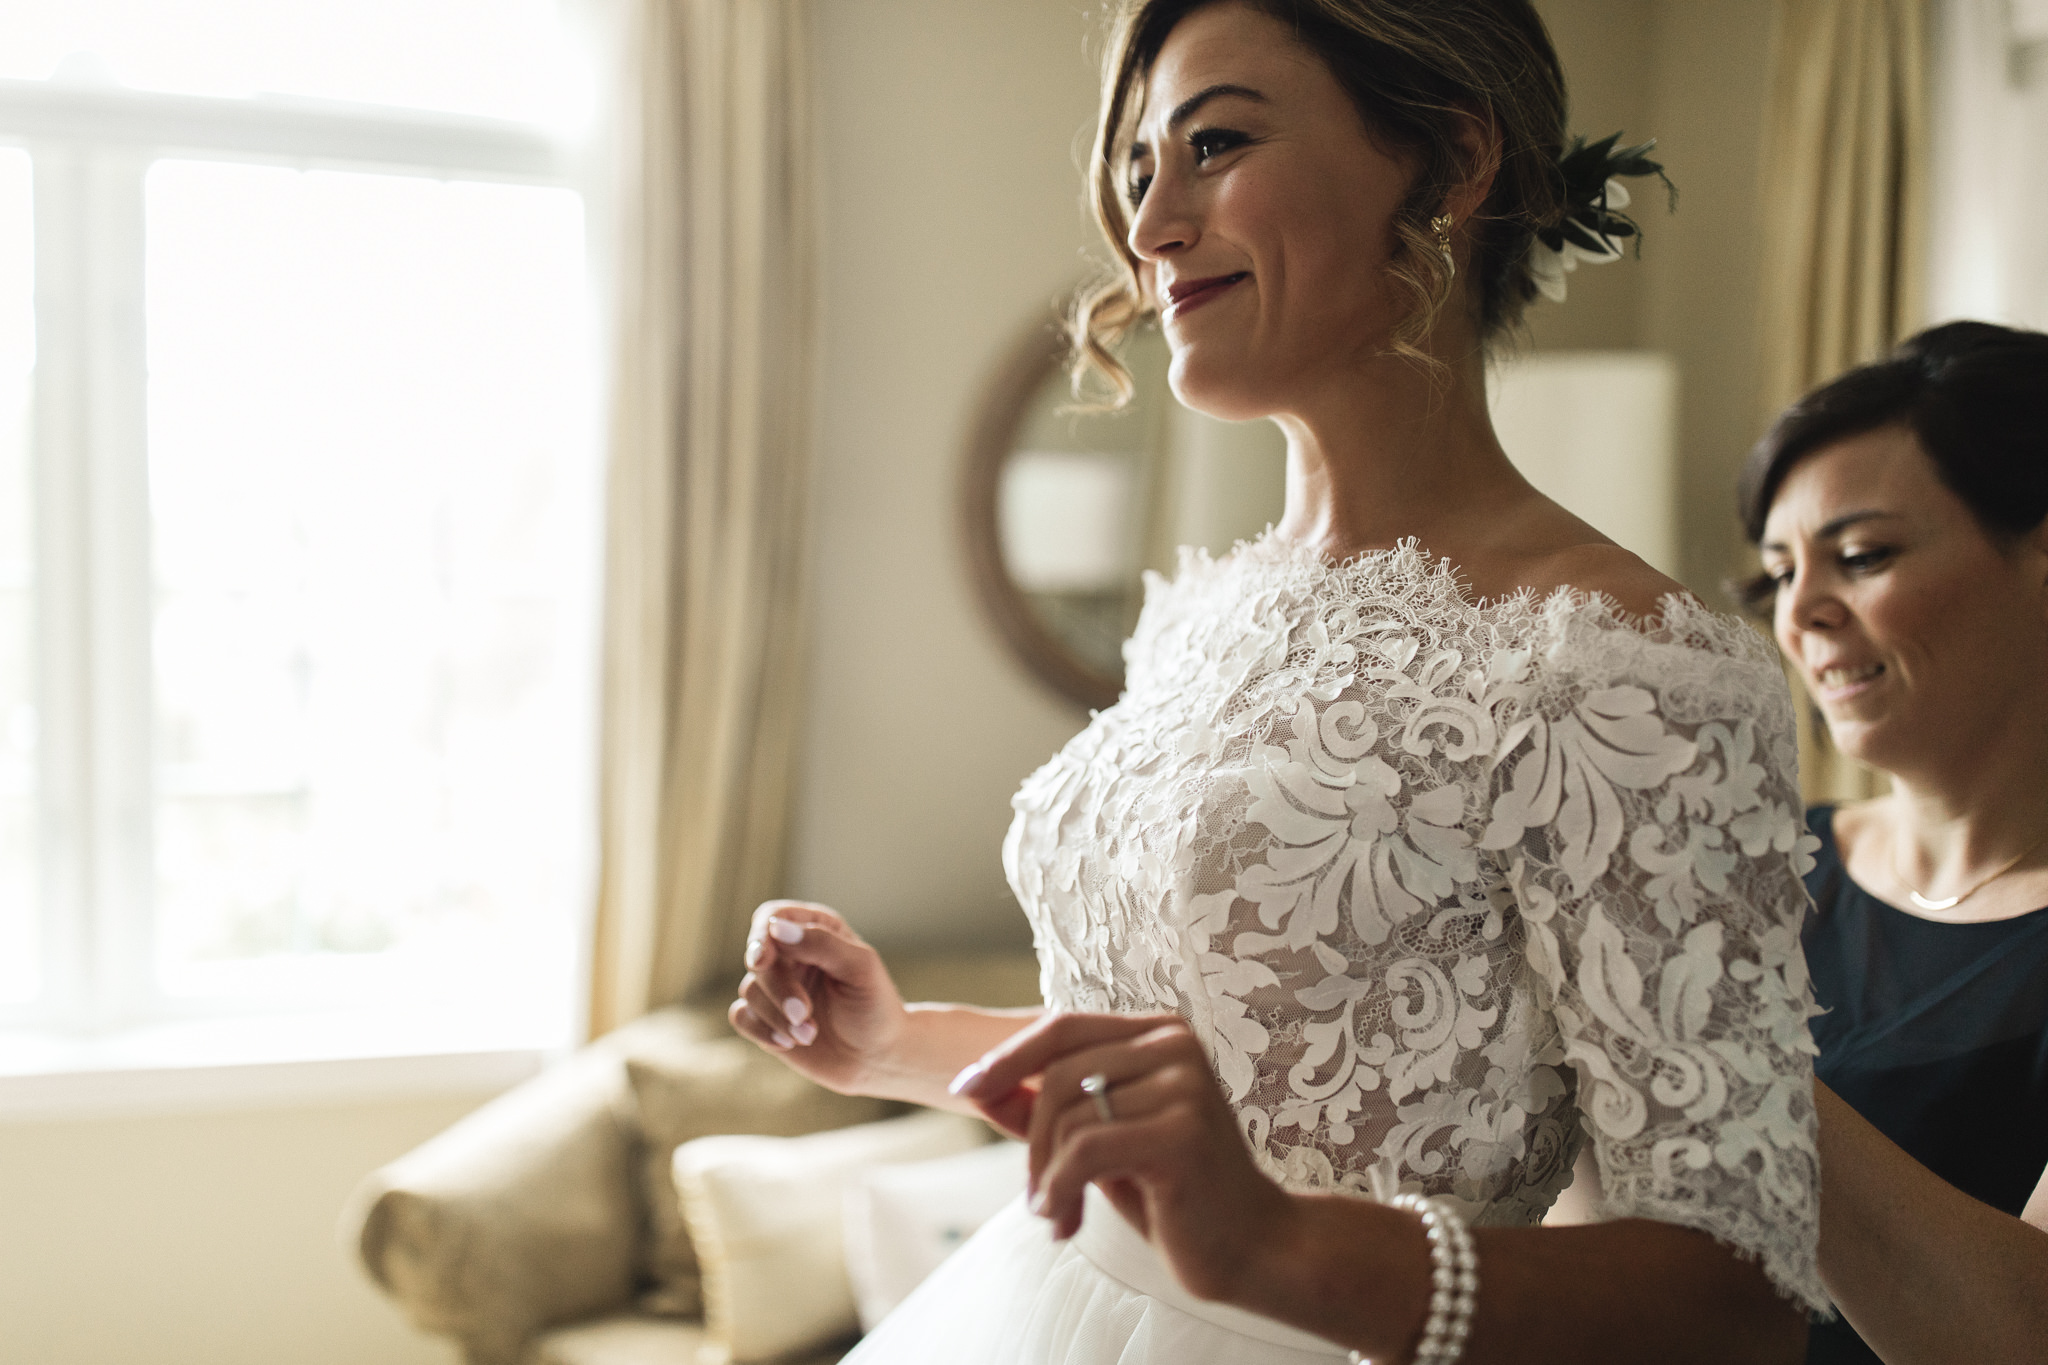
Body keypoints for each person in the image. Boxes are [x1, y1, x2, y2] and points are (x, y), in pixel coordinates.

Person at [735, 2, 1828, 1360]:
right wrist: (900, 1044)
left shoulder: (1621, 666)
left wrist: (1287, 1248)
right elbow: (1214, 1059)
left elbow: (1740, 1298)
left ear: (1449, 160)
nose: (1150, 226)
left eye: (1218, 144)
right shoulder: (1198, 610)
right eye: (1142, 170)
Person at [1739, 320, 2048, 1365]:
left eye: (1861, 556)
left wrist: (1705, 1037)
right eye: (1776, 574)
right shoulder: (1754, 873)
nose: (1801, 615)